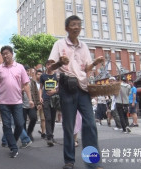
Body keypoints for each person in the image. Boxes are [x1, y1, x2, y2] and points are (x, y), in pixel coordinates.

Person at [48, 15, 104, 169]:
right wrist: (60, 62)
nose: (77, 27)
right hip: (67, 88)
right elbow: (50, 68)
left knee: (90, 125)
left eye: (79, 25)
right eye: (73, 24)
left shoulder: (84, 46)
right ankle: (69, 161)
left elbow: (86, 68)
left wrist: (95, 63)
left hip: (83, 89)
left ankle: (92, 162)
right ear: (67, 28)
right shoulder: (59, 44)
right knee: (68, 125)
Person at [0, 45, 34, 158]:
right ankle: (13, 148)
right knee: (6, 125)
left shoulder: (20, 67)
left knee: (20, 124)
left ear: (12, 54)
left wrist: (30, 99)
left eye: (7, 53)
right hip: (3, 102)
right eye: (3, 54)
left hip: (17, 102)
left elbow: (26, 84)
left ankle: (13, 141)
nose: (5, 55)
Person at [39, 60, 58, 147]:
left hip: (55, 99)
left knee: (53, 118)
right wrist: (40, 97)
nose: (50, 66)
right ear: (46, 66)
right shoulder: (43, 76)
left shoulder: (56, 75)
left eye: (51, 64)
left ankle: (51, 135)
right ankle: (49, 137)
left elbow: (59, 87)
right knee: (48, 118)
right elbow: (40, 88)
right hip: (46, 99)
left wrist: (55, 91)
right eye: (48, 64)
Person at [23, 65, 41, 141]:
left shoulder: (32, 82)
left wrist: (38, 103)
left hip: (31, 104)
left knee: (34, 118)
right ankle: (24, 137)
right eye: (25, 71)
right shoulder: (19, 81)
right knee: (22, 121)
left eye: (27, 71)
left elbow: (36, 93)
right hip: (21, 105)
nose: (26, 72)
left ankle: (29, 132)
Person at [35, 69, 46, 139]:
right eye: (38, 74)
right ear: (35, 75)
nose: (40, 76)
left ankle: (43, 132)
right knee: (33, 118)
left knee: (43, 118)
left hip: (42, 102)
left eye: (41, 74)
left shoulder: (44, 83)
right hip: (34, 103)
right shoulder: (33, 83)